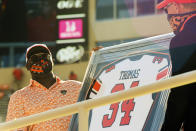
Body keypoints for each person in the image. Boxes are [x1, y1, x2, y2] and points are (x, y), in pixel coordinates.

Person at [6, 44, 82, 131]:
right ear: (27, 66)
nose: (40, 60)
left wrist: (98, 58)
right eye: (34, 58)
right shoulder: (19, 97)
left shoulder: (75, 87)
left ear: (52, 61)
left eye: (45, 56)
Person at [156, 0, 196, 130]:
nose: (167, 15)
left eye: (166, 9)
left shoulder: (184, 39)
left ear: (177, 6)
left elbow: (180, 96)